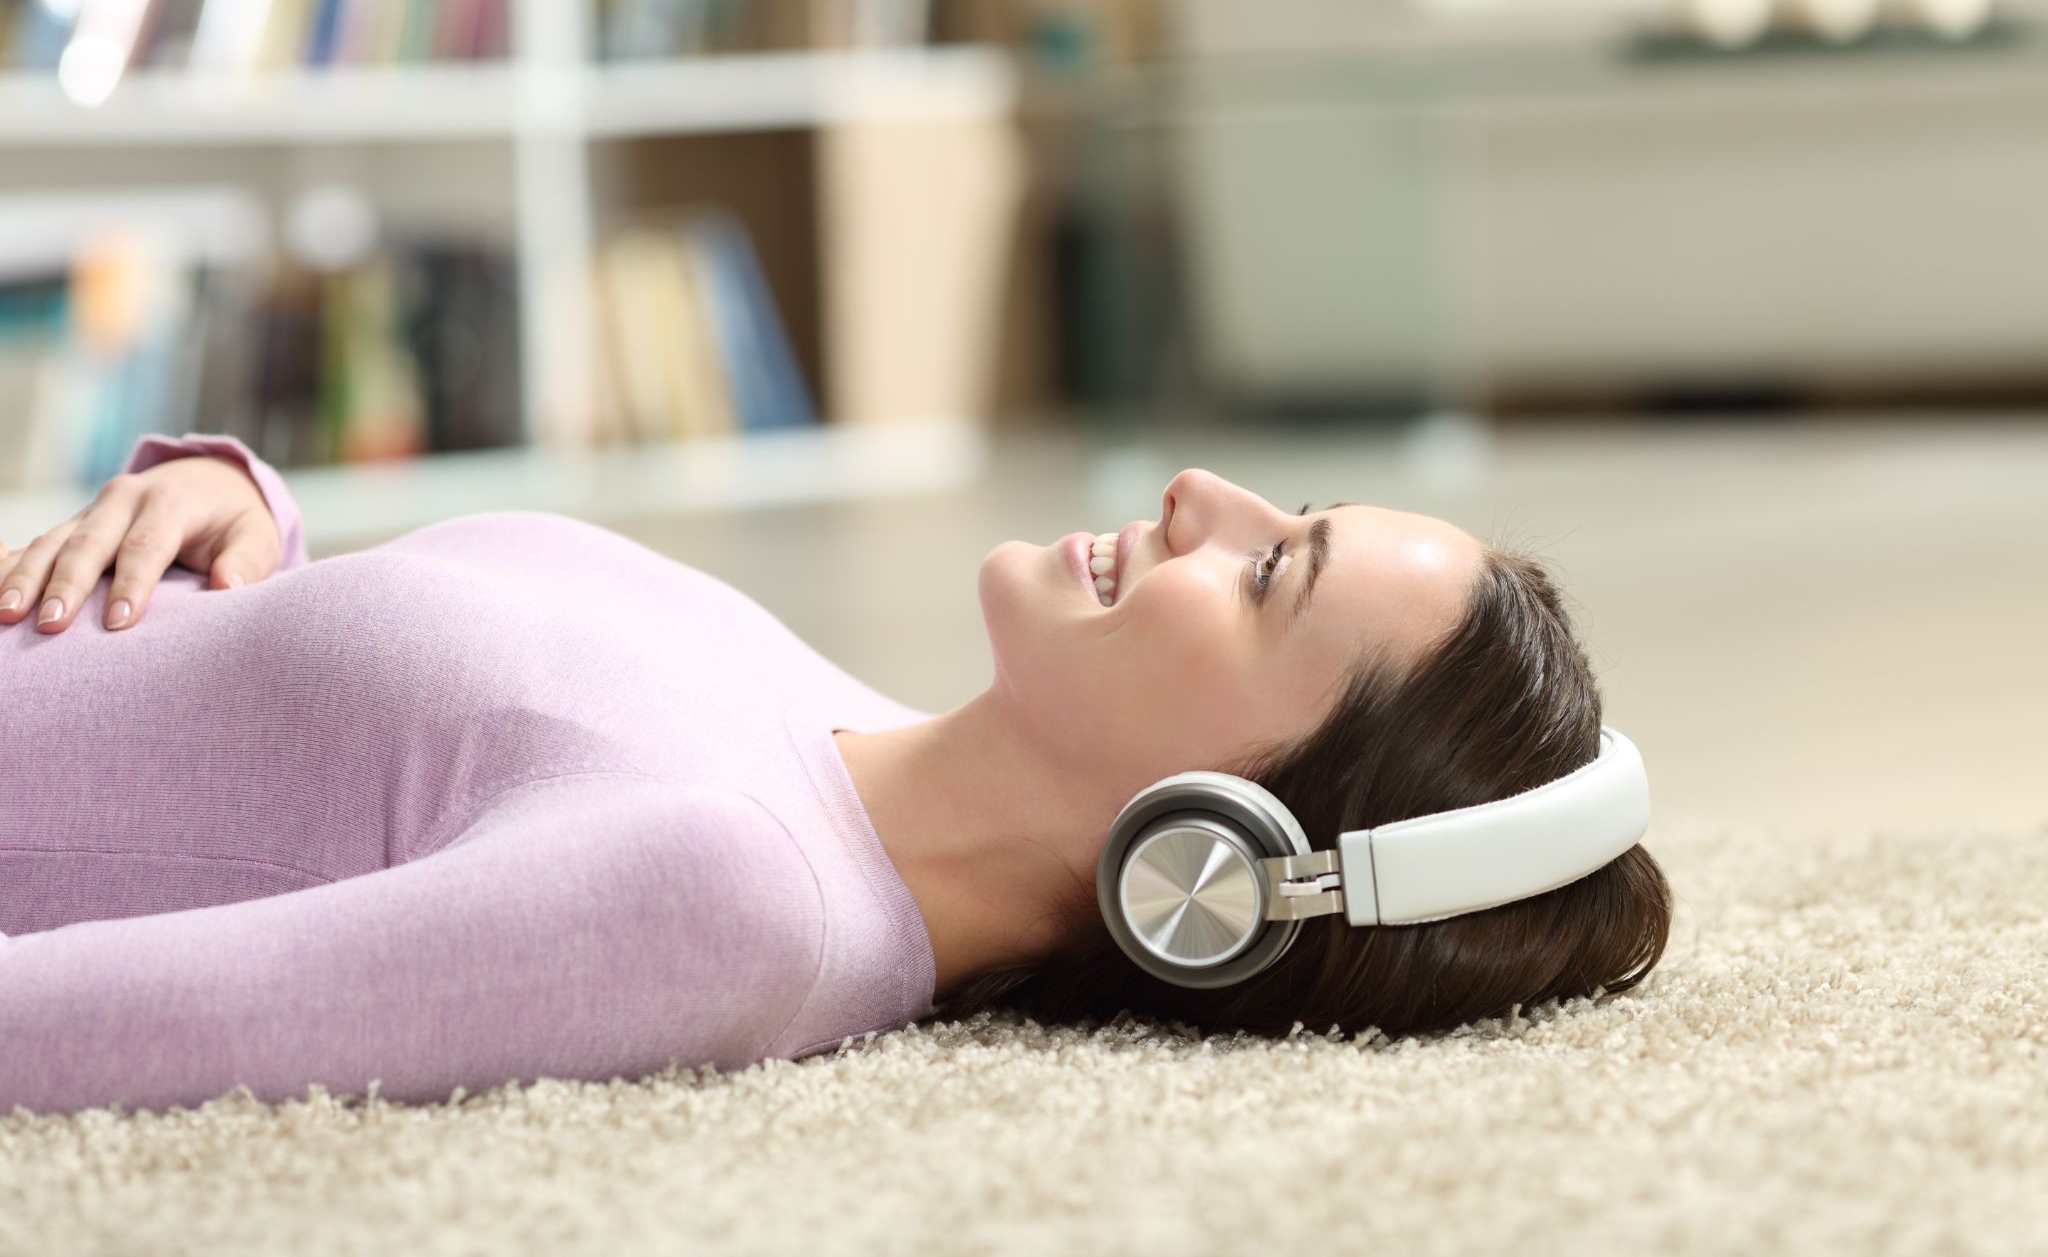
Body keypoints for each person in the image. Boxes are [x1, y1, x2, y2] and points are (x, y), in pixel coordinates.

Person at [0, 433, 1670, 1117]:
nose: (1196, 492)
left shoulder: (732, 893)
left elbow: (102, 1024)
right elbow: (314, 754)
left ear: (1215, 866)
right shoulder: (839, 722)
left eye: (1264, 574)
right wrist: (247, 515)